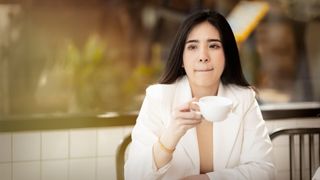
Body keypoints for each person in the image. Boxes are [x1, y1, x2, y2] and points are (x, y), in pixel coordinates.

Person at [125, 9, 275, 180]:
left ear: (227, 55)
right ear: (181, 58)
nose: (203, 56)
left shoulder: (244, 99)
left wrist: (206, 179)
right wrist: (169, 137)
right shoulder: (158, 97)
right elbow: (133, 176)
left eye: (213, 46)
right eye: (193, 47)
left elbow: (265, 171)